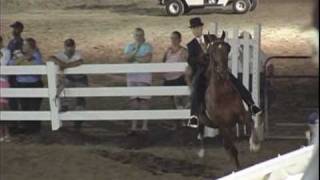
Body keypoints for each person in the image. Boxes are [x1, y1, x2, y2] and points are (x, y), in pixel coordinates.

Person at [186, 17, 262, 128]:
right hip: (203, 70)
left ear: (201, 27)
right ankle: (194, 116)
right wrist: (200, 58)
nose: (196, 30)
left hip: (217, 68)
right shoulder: (191, 45)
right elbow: (190, 60)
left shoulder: (211, 38)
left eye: (197, 28)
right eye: (194, 29)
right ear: (192, 30)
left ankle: (251, 104)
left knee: (235, 81)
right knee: (196, 85)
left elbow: (223, 46)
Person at [49, 38, 88, 131]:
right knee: (61, 87)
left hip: (80, 79)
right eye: (67, 46)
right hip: (69, 78)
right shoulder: (60, 55)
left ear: (74, 46)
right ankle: (64, 107)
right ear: (65, 47)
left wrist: (65, 66)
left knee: (80, 99)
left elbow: (80, 62)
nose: (69, 48)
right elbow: (50, 58)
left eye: (71, 46)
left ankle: (78, 123)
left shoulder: (78, 53)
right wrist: (61, 63)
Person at [123, 27, 153, 134]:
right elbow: (126, 59)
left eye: (140, 35)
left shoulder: (148, 46)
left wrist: (134, 57)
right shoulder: (129, 46)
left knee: (144, 101)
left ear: (144, 36)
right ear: (134, 36)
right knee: (133, 101)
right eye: (137, 35)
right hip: (132, 77)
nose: (139, 37)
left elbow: (147, 59)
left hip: (144, 77)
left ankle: (144, 126)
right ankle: (134, 126)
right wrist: (136, 50)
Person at [13, 38, 44, 133]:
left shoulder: (37, 55)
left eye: (25, 45)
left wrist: (21, 61)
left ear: (30, 46)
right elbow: (12, 64)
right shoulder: (19, 54)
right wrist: (24, 59)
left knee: (34, 107)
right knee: (24, 106)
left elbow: (36, 67)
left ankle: (34, 129)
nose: (23, 46)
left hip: (33, 84)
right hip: (21, 83)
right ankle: (26, 128)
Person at [162, 31, 189, 129]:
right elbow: (163, 62)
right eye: (172, 38)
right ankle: (175, 122)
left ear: (180, 39)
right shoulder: (168, 51)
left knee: (180, 100)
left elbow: (187, 65)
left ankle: (184, 121)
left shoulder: (184, 51)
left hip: (179, 78)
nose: (173, 40)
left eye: (175, 38)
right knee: (170, 101)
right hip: (168, 78)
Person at [7, 21, 24, 133]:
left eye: (16, 28)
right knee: (11, 100)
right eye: (13, 28)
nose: (14, 30)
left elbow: (18, 57)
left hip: (16, 74)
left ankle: (17, 124)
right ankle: (14, 123)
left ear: (21, 29)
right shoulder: (12, 42)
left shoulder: (21, 42)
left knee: (16, 99)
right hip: (11, 74)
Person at [0, 36, 11, 142]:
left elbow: (3, 65)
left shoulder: (6, 52)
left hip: (2, 81)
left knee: (3, 107)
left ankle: (6, 132)